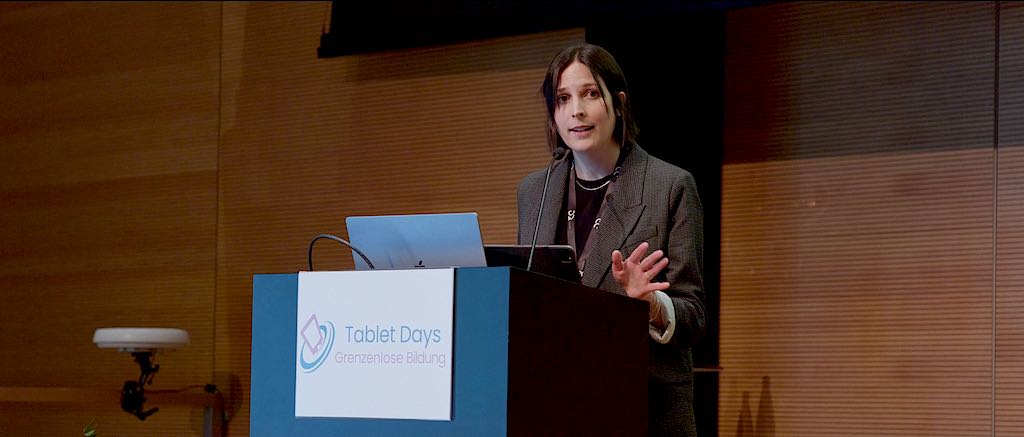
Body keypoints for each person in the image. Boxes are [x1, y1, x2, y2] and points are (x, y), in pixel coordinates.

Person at [516, 42, 706, 437]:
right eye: (563, 99)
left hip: (643, 407)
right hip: (555, 403)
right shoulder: (535, 191)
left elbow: (693, 316)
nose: (577, 111)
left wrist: (652, 305)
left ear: (618, 103)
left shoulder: (670, 186)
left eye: (590, 94)